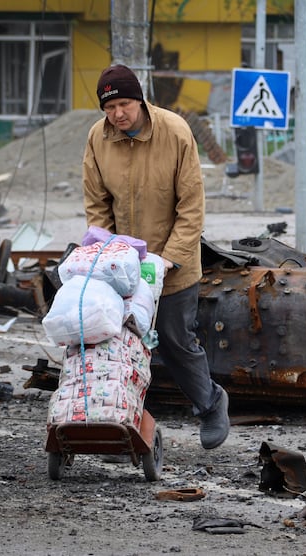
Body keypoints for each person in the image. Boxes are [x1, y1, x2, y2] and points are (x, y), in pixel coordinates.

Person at [82, 64, 229, 450]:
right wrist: (107, 253)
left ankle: (212, 404)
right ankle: (127, 427)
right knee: (121, 345)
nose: (118, 115)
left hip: (172, 265)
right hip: (121, 266)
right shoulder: (98, 138)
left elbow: (192, 207)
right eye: (110, 108)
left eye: (125, 105)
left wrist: (170, 258)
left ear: (141, 100)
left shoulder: (175, 131)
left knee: (176, 342)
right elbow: (97, 204)